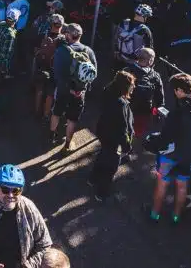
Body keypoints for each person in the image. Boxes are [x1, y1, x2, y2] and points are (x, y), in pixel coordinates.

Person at [149, 73, 191, 224]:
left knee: (162, 183)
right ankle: (176, 216)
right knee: (182, 186)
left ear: (179, 90)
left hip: (171, 156)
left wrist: (153, 141)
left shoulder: (177, 113)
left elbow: (165, 139)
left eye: (174, 90)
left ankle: (154, 214)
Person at [49, 23, 98, 152]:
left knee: (57, 112)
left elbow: (56, 73)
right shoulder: (88, 51)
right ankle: (67, 144)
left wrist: (65, 86)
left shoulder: (62, 51)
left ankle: (52, 135)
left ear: (68, 35)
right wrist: (83, 88)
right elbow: (93, 74)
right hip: (79, 92)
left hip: (63, 90)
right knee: (72, 119)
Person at [90, 71, 135, 201]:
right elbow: (123, 128)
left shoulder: (107, 91)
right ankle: (101, 193)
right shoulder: (121, 104)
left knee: (103, 154)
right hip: (114, 138)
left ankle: (93, 178)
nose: (133, 87)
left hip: (103, 131)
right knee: (111, 167)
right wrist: (127, 146)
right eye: (132, 85)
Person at [124, 48, 165, 140]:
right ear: (150, 61)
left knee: (125, 130)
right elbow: (159, 96)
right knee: (136, 132)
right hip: (142, 111)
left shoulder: (127, 71)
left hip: (128, 109)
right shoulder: (155, 76)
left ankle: (127, 141)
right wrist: (159, 110)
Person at [0, 9, 20, 119]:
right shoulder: (11, 35)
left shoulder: (0, 24)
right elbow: (7, 54)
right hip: (1, 66)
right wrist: (6, 70)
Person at [33, 14, 65, 120]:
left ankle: (37, 112)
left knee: (39, 89)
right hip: (54, 70)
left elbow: (35, 51)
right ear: (61, 25)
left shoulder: (43, 35)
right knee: (50, 94)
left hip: (41, 67)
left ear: (51, 24)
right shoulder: (63, 40)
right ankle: (46, 115)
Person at [114, 4, 154, 69]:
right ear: (144, 16)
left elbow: (116, 39)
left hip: (121, 57)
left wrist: (116, 51)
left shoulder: (123, 23)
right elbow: (150, 50)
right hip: (136, 63)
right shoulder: (144, 29)